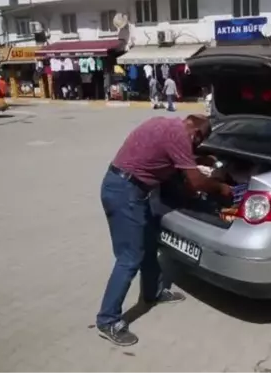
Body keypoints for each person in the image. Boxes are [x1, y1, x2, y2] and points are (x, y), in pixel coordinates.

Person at [96, 114, 233, 346]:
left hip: (128, 188)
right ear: (197, 134)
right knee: (129, 258)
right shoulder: (180, 137)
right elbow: (197, 183)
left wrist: (199, 158)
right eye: (197, 144)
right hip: (124, 193)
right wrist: (221, 187)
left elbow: (171, 155)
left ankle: (153, 292)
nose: (194, 147)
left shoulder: (168, 124)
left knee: (149, 243)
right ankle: (108, 319)